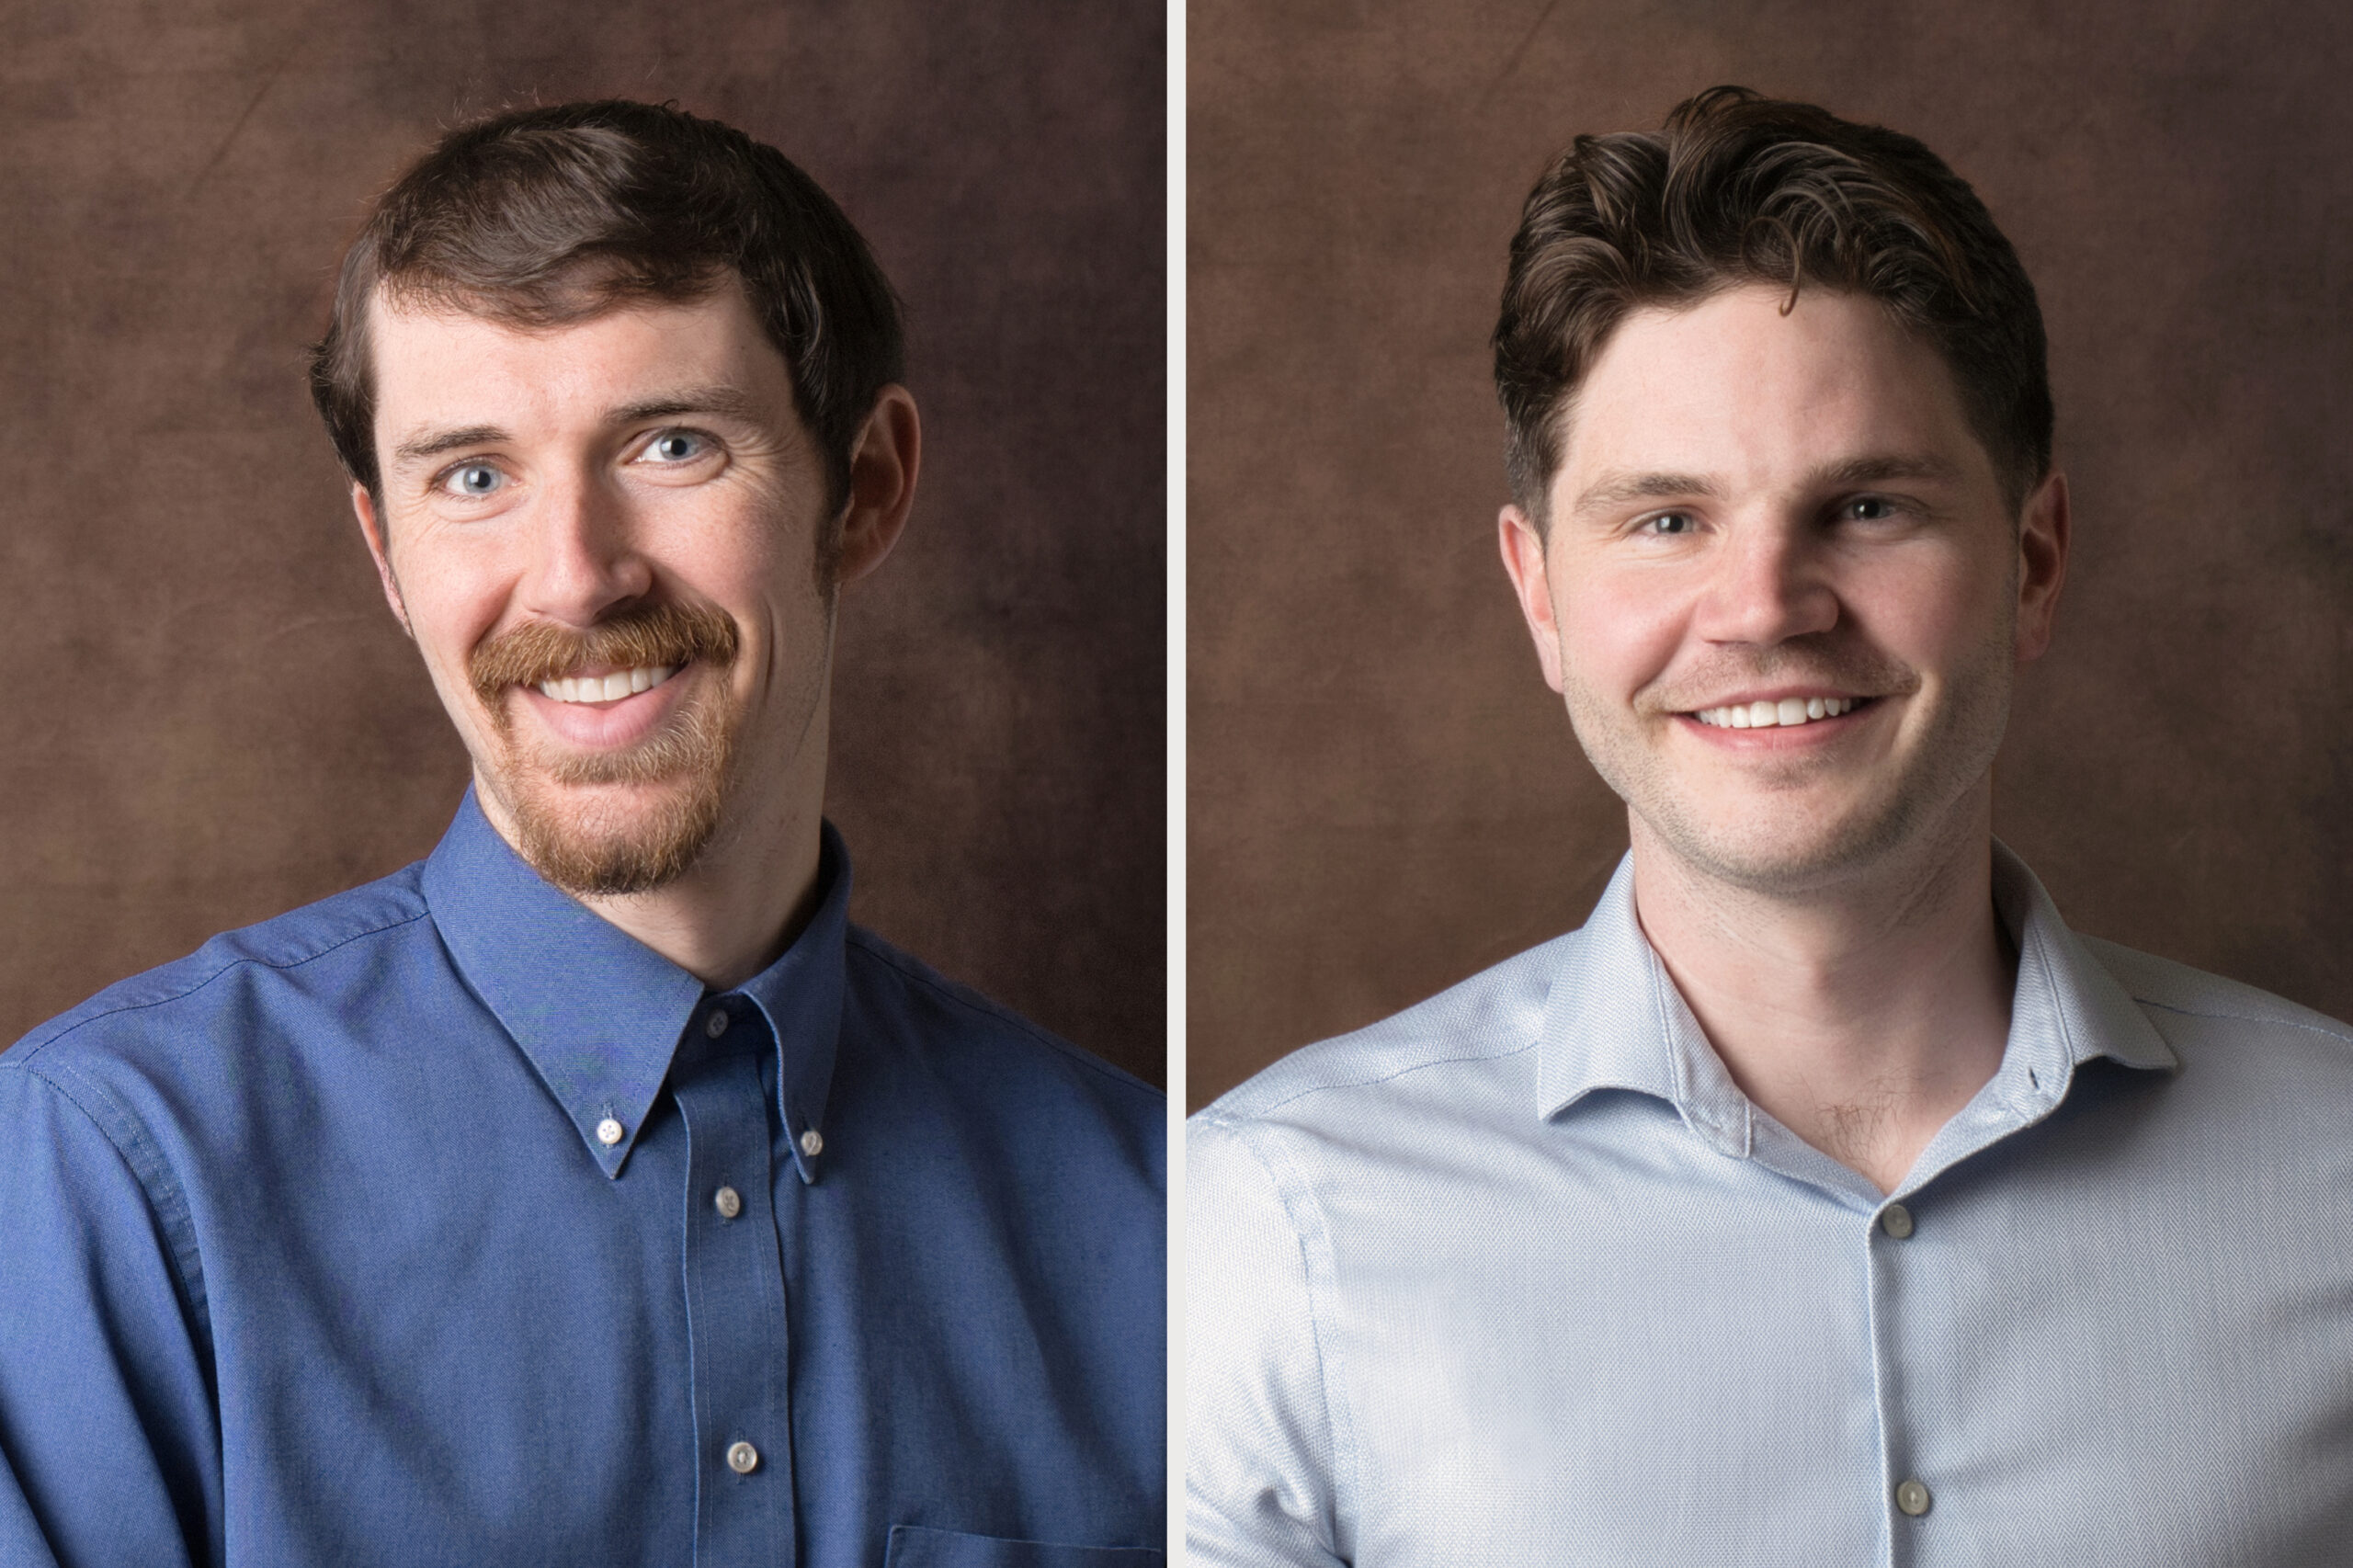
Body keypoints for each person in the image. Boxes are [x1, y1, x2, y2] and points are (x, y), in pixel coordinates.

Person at [1187, 86, 2353, 1563]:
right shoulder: (1282, 1228)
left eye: (1866, 506)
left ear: (2035, 560)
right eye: (1666, 519)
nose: (1766, 610)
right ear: (1540, 593)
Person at [0, 101, 1163, 1567]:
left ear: (862, 489)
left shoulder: (1161, 1219)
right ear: (386, 553)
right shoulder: (109, 1180)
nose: (577, 578)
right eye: (471, 476)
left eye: (672, 444)